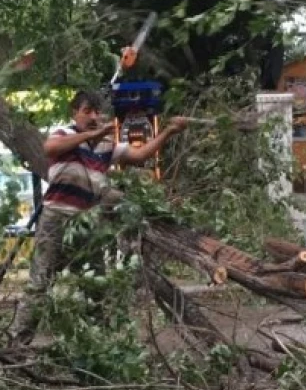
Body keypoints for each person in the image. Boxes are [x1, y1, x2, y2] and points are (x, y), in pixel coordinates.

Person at [11, 89, 188, 345]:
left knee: (95, 284)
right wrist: (92, 134)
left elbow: (139, 155)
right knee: (40, 281)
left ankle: (99, 343)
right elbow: (50, 148)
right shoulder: (66, 134)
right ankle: (17, 343)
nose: (93, 117)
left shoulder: (107, 145)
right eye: (87, 112)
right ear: (75, 113)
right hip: (55, 218)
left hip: (86, 223)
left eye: (97, 112)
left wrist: (169, 131)